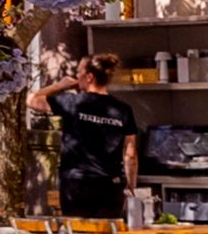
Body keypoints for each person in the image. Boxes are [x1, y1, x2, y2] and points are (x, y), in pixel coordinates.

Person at [41, 51, 143, 223]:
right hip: (110, 185)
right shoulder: (123, 109)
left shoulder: (72, 102)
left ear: (89, 77)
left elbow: (32, 99)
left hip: (76, 184)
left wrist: (61, 85)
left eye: (78, 73)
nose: (76, 77)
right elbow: (130, 153)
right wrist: (131, 184)